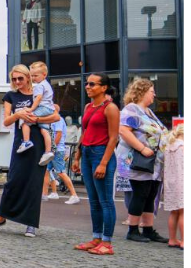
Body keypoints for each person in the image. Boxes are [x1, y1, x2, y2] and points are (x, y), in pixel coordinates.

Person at [0, 65, 60, 238]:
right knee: (13, 181)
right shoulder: (10, 96)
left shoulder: (39, 91)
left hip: (39, 144)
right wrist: (19, 115)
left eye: (20, 78)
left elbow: (56, 116)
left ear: (28, 77)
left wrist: (36, 118)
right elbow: (6, 121)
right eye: (14, 79)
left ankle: (30, 223)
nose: (17, 82)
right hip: (21, 144)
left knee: (34, 183)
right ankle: (0, 217)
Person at [71, 73, 120, 255]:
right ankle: (96, 238)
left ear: (104, 87)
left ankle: (107, 243)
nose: (88, 87)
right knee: (93, 201)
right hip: (88, 153)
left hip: (101, 153)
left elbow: (114, 137)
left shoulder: (111, 108)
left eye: (92, 84)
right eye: (87, 84)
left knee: (105, 200)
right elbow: (84, 132)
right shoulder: (88, 106)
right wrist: (77, 156)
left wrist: (104, 163)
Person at [115, 78, 169, 244]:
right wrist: (142, 148)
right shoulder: (132, 109)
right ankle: (133, 229)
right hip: (140, 161)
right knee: (140, 194)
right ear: (143, 92)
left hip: (152, 163)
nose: (154, 95)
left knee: (150, 195)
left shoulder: (147, 111)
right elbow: (123, 130)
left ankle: (147, 229)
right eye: (152, 91)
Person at [41, 105, 81, 204]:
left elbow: (58, 134)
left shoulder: (57, 119)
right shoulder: (54, 119)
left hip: (56, 150)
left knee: (60, 172)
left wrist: (51, 149)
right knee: (46, 171)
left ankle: (74, 195)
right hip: (54, 150)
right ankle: (45, 194)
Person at [17, 61, 54, 166]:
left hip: (42, 108)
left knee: (24, 120)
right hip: (49, 109)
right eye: (31, 76)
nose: (33, 78)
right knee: (44, 129)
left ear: (44, 75)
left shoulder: (39, 86)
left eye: (35, 76)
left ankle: (26, 141)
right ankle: (48, 151)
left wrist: (31, 109)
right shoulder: (47, 84)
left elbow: (38, 98)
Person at [162, 124, 184, 249]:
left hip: (171, 183)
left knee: (174, 212)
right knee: (184, 212)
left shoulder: (169, 147)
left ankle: (172, 239)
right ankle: (185, 240)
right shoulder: (183, 147)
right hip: (182, 181)